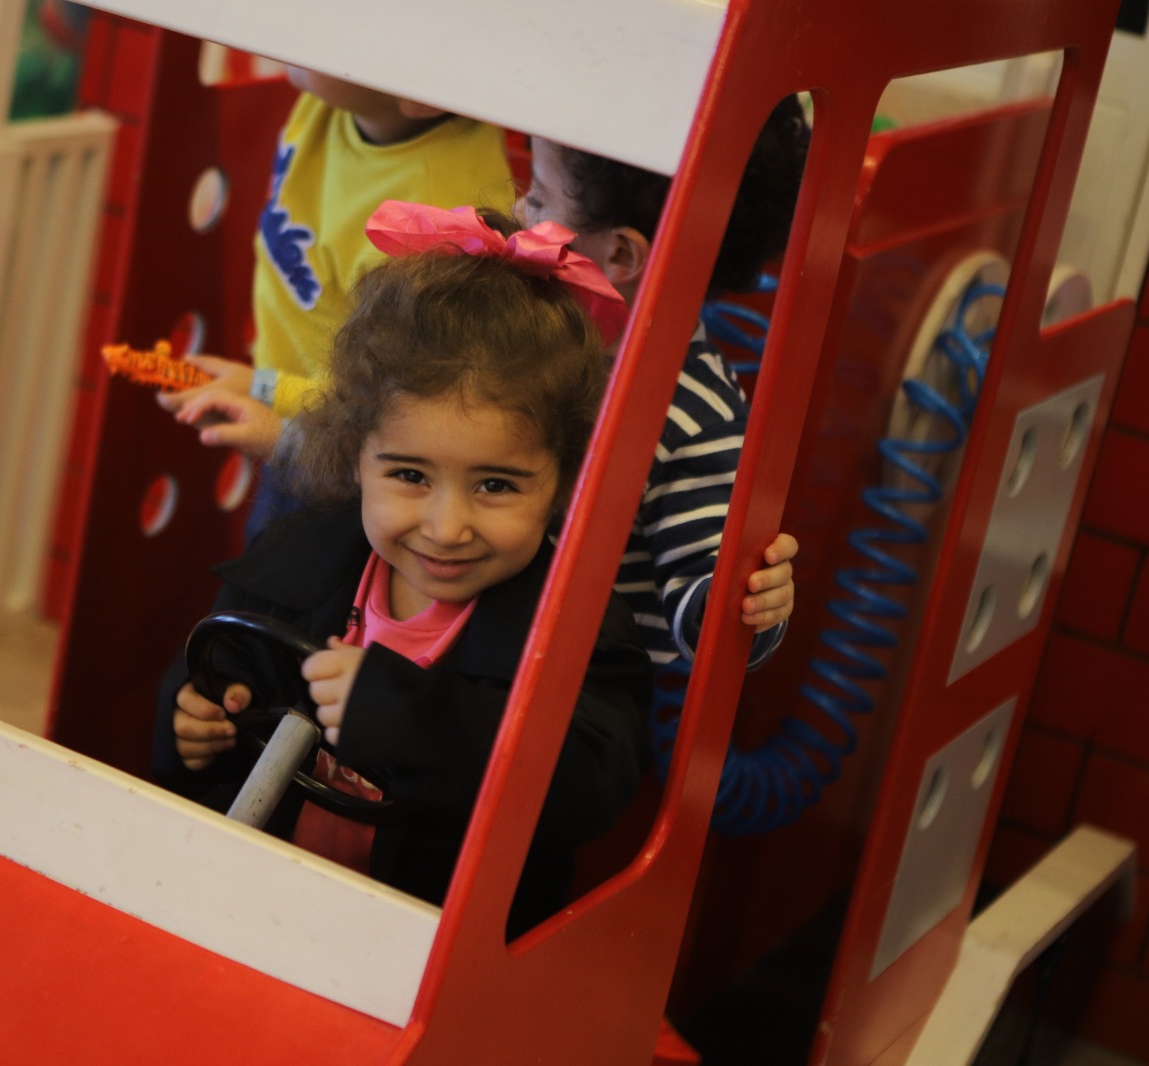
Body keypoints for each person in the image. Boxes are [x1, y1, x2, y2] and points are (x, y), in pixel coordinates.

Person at [154, 202, 651, 938]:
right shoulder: (296, 562)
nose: (446, 528)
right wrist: (190, 725)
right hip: (255, 915)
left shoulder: (577, 628)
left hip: (431, 950)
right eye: (410, 476)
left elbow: (587, 789)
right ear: (355, 454)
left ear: (562, 481)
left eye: (496, 485)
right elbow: (215, 671)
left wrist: (402, 716)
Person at [516, 96, 810, 676]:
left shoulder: (694, 418)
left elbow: (709, 613)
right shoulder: (533, 330)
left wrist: (749, 601)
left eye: (540, 199)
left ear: (621, 253)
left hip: (576, 686)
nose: (517, 210)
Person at [155, 68, 514, 534]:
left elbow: (391, 401)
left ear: (422, 93)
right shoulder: (333, 97)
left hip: (344, 453)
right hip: (297, 411)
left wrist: (263, 388)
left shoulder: (431, 226)